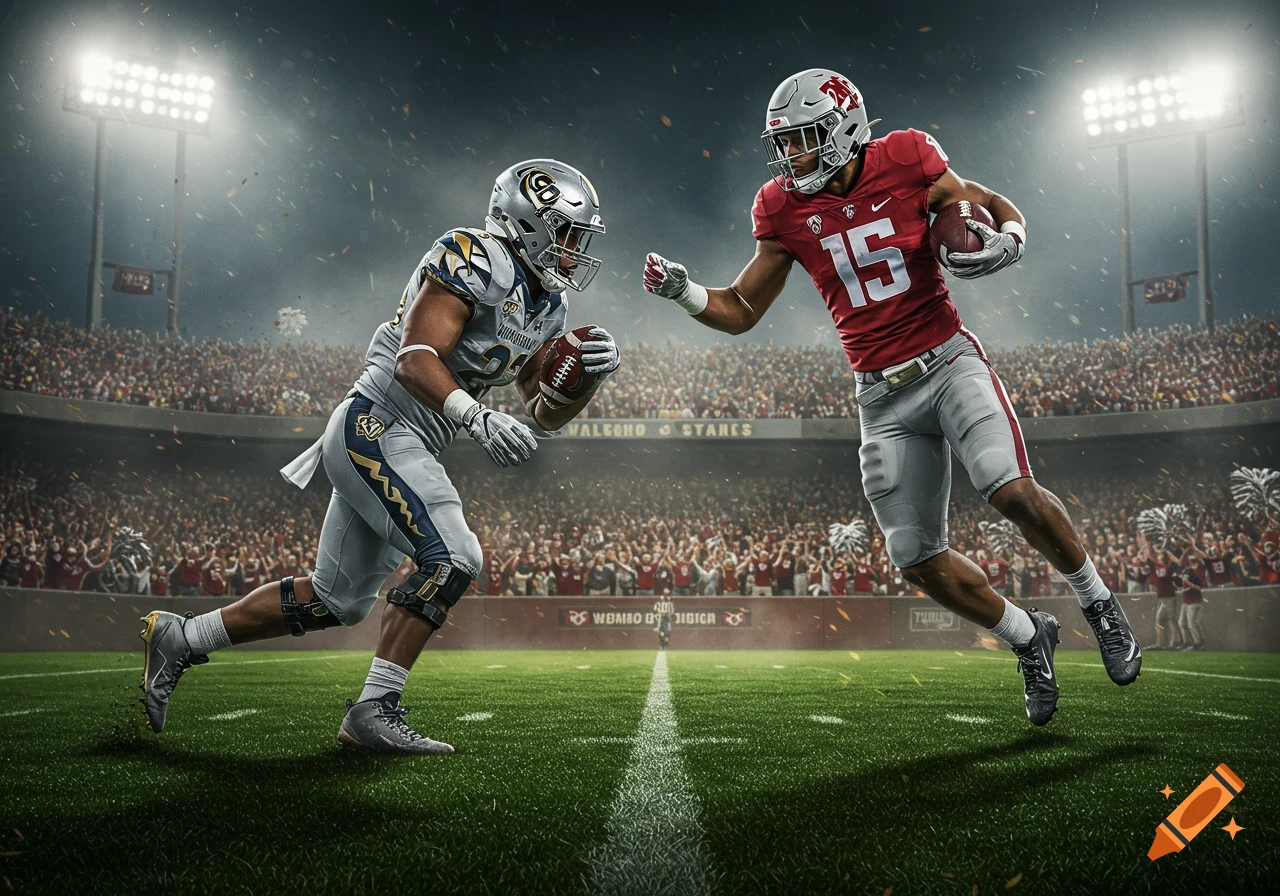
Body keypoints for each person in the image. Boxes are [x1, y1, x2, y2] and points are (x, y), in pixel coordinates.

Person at [642, 68, 1140, 725]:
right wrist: (684, 291)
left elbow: (989, 202)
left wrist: (1010, 240)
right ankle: (1030, 636)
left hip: (948, 362)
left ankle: (1098, 601)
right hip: (880, 395)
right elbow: (739, 309)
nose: (792, 157)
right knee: (916, 558)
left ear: (845, 129)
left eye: (804, 139)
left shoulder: (906, 155)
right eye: (784, 144)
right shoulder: (782, 206)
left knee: (1008, 489)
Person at [139, 159, 618, 754]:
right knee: (453, 557)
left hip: (411, 437)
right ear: (526, 223)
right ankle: (374, 710)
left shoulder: (549, 305)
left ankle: (183, 638)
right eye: (567, 234)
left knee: (336, 599)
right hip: (380, 421)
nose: (575, 251)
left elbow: (539, 414)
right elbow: (414, 359)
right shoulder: (474, 256)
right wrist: (477, 415)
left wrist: (583, 383)